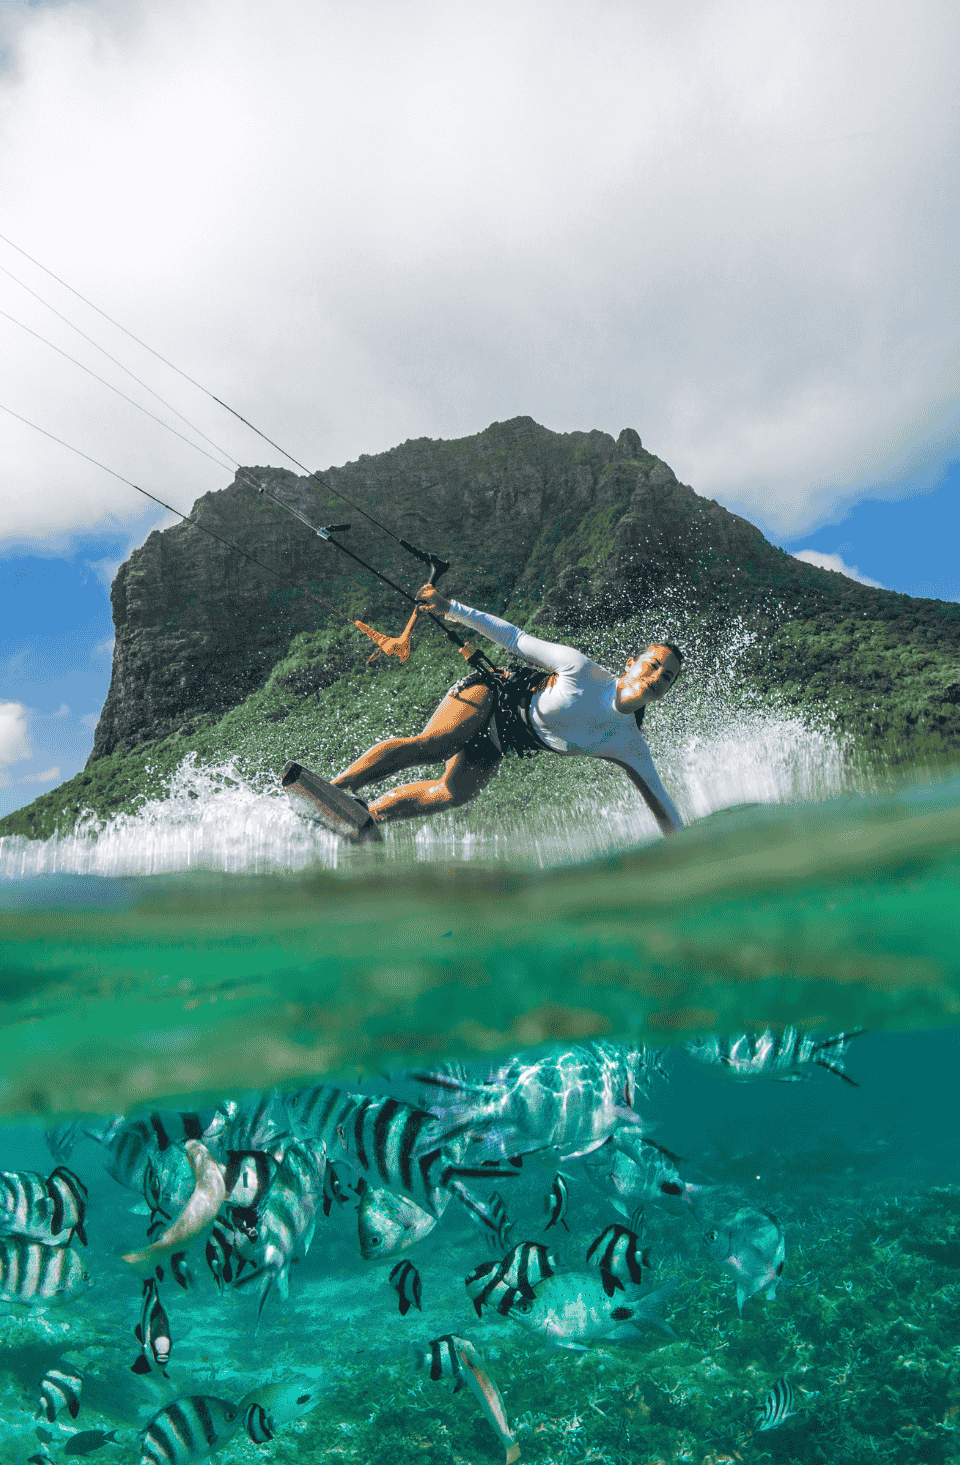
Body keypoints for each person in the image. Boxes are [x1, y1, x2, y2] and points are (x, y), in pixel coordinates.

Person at [330, 586, 684, 835]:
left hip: (503, 740)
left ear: (665, 692)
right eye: (652, 665)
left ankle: (364, 817)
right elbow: (515, 639)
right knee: (439, 744)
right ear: (630, 664)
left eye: (666, 677)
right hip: (493, 695)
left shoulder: (630, 745)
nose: (655, 677)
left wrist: (686, 858)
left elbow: (664, 808)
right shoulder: (582, 670)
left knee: (456, 792)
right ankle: (339, 789)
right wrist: (450, 608)